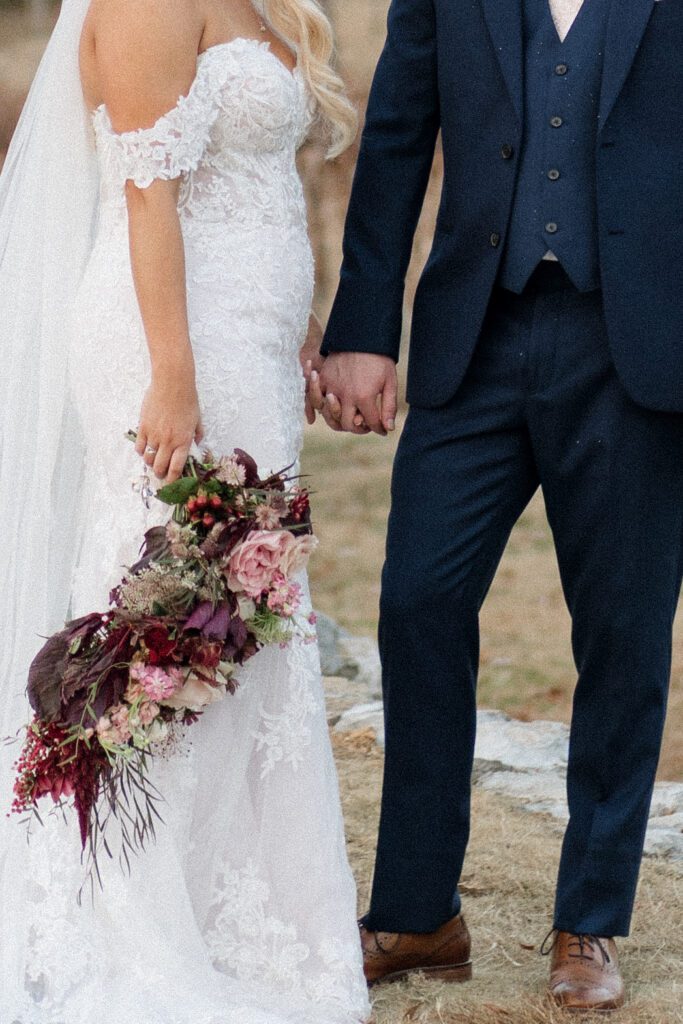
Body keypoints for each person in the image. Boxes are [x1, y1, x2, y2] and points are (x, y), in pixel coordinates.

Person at [308, 0, 683, 1011]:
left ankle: (588, 919)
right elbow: (395, 131)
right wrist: (362, 325)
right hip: (474, 335)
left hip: (638, 345)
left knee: (621, 634)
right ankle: (419, 907)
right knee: (419, 599)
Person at [0, 1, 370, 1021]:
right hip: (173, 337)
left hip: (245, 339)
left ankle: (235, 909)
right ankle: (132, 910)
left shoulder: (263, 2)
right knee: (165, 619)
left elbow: (259, 187)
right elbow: (148, 194)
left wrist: (293, 317)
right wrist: (173, 376)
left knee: (246, 613)